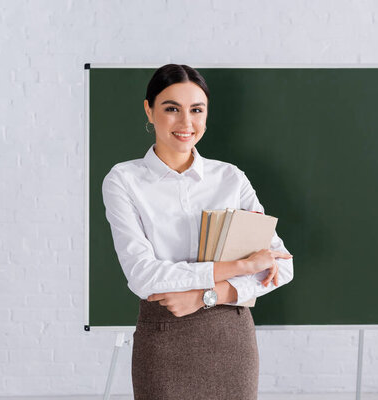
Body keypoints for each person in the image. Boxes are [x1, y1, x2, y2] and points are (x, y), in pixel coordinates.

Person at [101, 64, 294, 399]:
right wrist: (239, 267)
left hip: (231, 339)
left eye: (196, 110)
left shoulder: (230, 178)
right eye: (171, 108)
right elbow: (143, 277)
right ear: (149, 109)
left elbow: (282, 266)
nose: (186, 122)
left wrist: (206, 296)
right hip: (164, 337)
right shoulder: (124, 180)